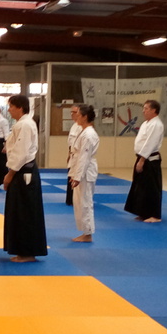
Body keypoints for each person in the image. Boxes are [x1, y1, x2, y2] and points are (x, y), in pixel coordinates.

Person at [2, 94, 47, 262]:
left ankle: (27, 253)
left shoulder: (25, 125)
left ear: (20, 107)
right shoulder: (22, 123)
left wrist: (10, 174)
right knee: (19, 211)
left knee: (25, 213)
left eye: (11, 107)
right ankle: (22, 250)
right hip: (22, 171)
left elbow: (21, 152)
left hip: (23, 172)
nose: (9, 110)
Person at [124, 99, 165, 223]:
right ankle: (143, 212)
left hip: (149, 159)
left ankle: (155, 215)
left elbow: (150, 143)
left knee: (152, 187)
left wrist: (142, 160)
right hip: (141, 157)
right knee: (141, 186)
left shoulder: (156, 124)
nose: (143, 111)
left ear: (154, 110)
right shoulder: (146, 123)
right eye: (144, 108)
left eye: (146, 108)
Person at [68, 104, 99, 243]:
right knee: (80, 202)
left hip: (86, 171)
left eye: (79, 114)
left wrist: (78, 176)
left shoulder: (88, 134)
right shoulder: (83, 131)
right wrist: (73, 173)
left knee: (86, 202)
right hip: (82, 169)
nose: (76, 117)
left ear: (85, 117)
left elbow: (84, 158)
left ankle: (88, 234)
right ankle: (85, 231)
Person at [65, 104, 82, 205]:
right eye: (71, 112)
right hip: (72, 154)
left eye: (74, 112)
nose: (72, 114)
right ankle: (70, 199)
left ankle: (76, 199)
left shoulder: (82, 127)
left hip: (78, 156)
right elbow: (71, 143)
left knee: (76, 177)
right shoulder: (74, 125)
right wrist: (69, 154)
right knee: (70, 176)